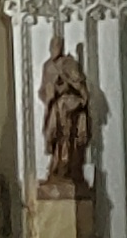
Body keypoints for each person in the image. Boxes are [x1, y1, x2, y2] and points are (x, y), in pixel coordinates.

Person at [40, 43, 93, 193]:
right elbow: (44, 90)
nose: (55, 49)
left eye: (57, 46)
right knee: (53, 133)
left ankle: (66, 166)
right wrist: (52, 91)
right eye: (53, 46)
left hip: (68, 107)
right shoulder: (48, 66)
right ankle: (57, 166)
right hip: (56, 107)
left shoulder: (69, 63)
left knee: (67, 137)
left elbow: (79, 86)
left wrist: (73, 90)